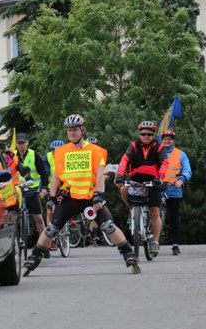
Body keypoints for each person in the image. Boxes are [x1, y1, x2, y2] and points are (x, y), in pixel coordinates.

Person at [24, 114, 140, 275]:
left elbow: (99, 174)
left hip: (90, 197)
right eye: (69, 130)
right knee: (51, 229)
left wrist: (99, 194)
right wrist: (51, 198)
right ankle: (34, 257)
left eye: (75, 130)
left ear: (82, 130)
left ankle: (129, 254)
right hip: (69, 197)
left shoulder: (94, 150)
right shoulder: (61, 151)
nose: (72, 133)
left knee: (108, 226)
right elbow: (57, 176)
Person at [115, 121, 169, 257]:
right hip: (135, 178)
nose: (146, 136)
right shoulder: (133, 146)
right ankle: (131, 208)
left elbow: (164, 163)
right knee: (123, 190)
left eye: (149, 134)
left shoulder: (159, 147)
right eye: (143, 134)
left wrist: (160, 177)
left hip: (153, 181)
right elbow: (124, 160)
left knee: (155, 211)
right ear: (139, 134)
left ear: (153, 135)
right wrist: (120, 176)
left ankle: (155, 241)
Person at [160, 130, 192, 255]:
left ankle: (175, 245)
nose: (167, 141)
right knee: (153, 213)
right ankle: (152, 240)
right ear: (161, 140)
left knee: (174, 217)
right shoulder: (157, 152)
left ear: (174, 140)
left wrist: (182, 179)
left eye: (170, 139)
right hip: (159, 187)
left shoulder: (180, 154)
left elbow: (187, 170)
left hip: (174, 188)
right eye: (165, 138)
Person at [15, 133, 49, 241]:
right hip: (17, 190)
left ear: (27, 143)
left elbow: (43, 172)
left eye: (23, 143)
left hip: (32, 190)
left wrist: (44, 186)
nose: (21, 146)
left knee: (38, 218)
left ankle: (44, 245)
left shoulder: (34, 155)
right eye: (19, 143)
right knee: (12, 218)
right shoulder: (12, 157)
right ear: (16, 144)